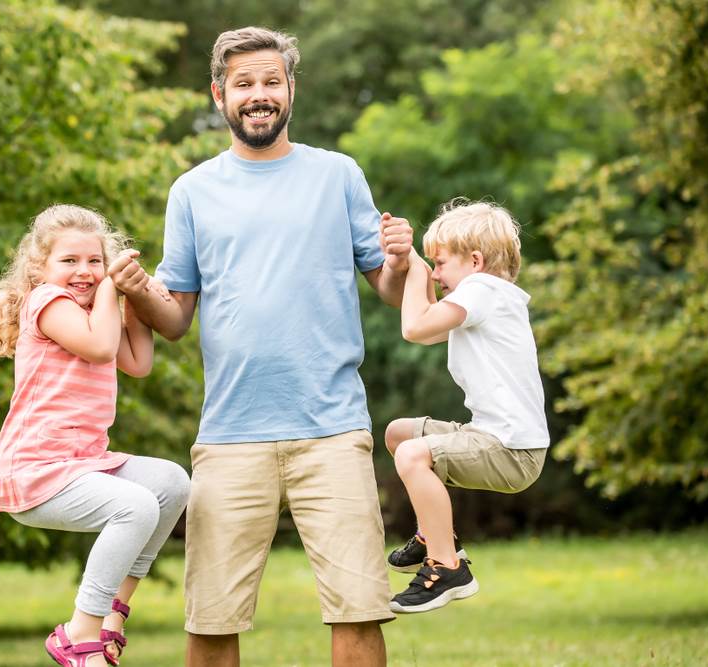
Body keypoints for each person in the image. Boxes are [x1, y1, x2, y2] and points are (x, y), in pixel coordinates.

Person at [106, 26, 414, 667]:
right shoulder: (191, 191)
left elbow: (386, 287)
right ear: (219, 94)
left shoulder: (338, 174)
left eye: (271, 81)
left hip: (332, 430)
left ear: (291, 89)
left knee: (358, 607)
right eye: (244, 84)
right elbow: (173, 320)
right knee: (213, 617)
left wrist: (401, 261)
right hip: (230, 434)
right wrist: (137, 289)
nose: (259, 95)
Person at [0, 204, 190, 667]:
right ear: (41, 268)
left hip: (83, 462)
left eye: (95, 261)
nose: (84, 272)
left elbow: (137, 362)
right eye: (68, 261)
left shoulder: (98, 309)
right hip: (35, 469)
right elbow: (98, 348)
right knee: (134, 506)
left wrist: (134, 301)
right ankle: (78, 633)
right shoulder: (47, 303)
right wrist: (113, 285)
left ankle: (112, 615)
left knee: (172, 483)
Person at [382, 199, 550, 614]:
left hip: (513, 451)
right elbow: (425, 323)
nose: (436, 273)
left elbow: (414, 327)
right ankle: (435, 536)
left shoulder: (482, 291)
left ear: (475, 261)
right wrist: (415, 271)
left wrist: (415, 271)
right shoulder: (486, 300)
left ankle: (448, 568)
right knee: (399, 433)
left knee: (411, 453)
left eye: (440, 264)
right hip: (491, 437)